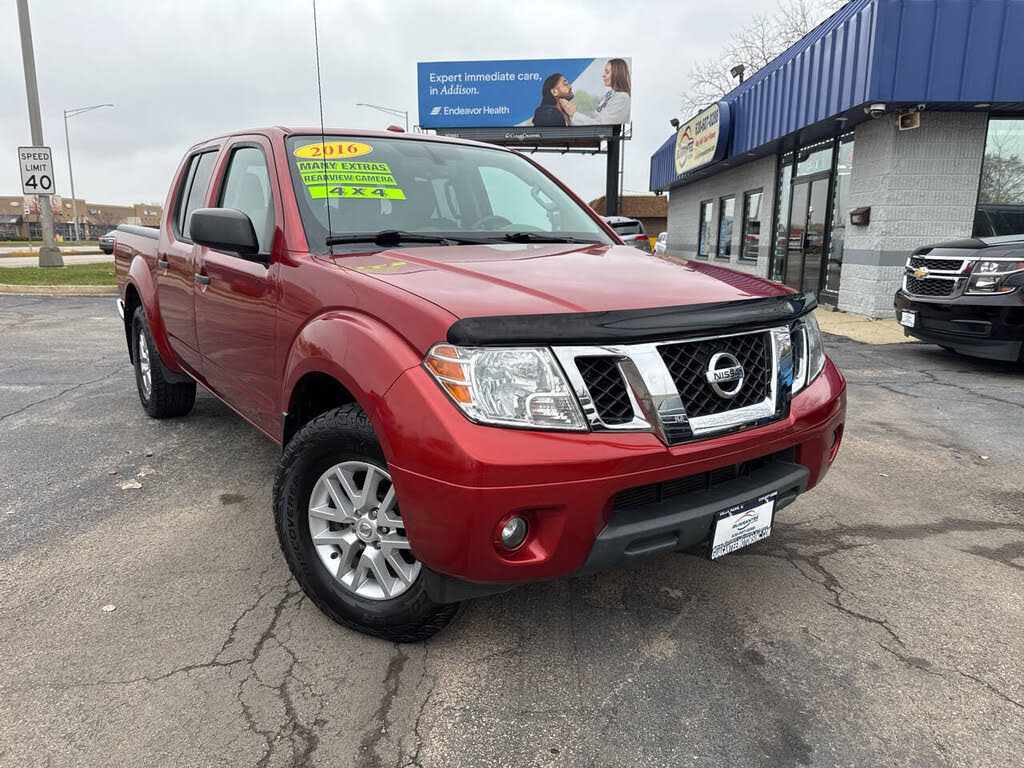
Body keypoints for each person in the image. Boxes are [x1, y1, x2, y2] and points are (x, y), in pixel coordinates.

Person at [560, 58, 631, 126]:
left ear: (617, 74)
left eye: (607, 72)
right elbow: (594, 118)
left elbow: (601, 124)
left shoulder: (622, 98)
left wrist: (574, 114)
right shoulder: (610, 94)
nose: (603, 75)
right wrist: (573, 114)